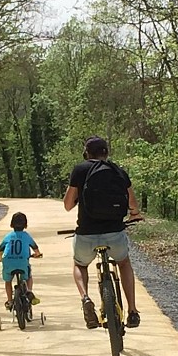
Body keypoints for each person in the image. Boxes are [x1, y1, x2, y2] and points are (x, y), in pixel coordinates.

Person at [63, 135, 142, 329]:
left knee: (80, 265)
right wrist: (134, 214)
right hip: (114, 234)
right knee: (123, 263)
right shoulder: (119, 171)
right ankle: (132, 310)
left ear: (86, 153)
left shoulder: (80, 169)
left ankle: (85, 298)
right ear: (106, 153)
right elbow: (132, 203)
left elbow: (67, 205)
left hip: (86, 234)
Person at [0, 212, 42, 310]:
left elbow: (0, 250)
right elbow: (35, 249)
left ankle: (9, 301)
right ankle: (29, 291)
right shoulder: (26, 236)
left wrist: (0, 259)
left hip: (8, 263)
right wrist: (37, 255)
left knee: (8, 281)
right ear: (25, 225)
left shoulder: (8, 236)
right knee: (28, 276)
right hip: (22, 263)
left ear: (11, 224)